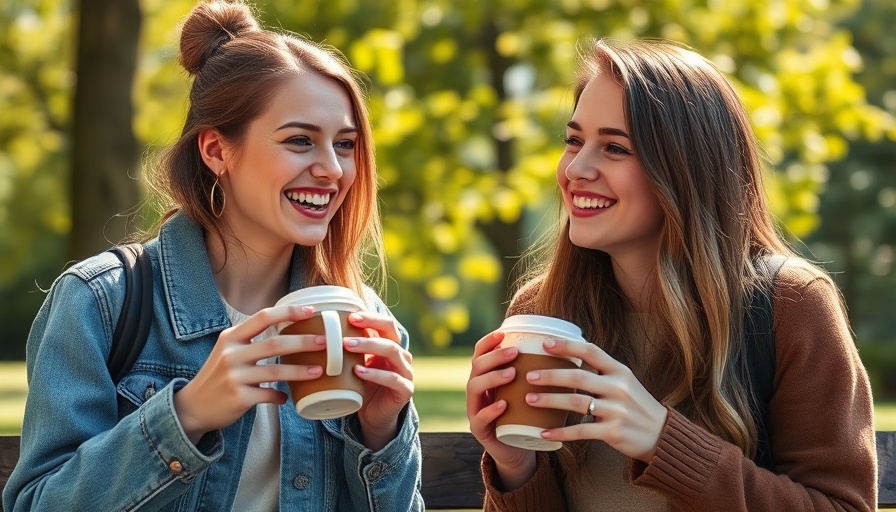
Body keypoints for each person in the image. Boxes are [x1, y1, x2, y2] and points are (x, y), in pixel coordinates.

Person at [3, 1, 423, 510]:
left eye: (346, 144)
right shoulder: (100, 304)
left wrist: (382, 437)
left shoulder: (365, 322)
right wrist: (187, 415)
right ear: (216, 151)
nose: (333, 169)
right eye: (299, 141)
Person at [466, 38, 876, 511]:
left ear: (683, 170)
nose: (576, 168)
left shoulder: (792, 306)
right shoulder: (542, 313)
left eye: (615, 148)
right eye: (574, 140)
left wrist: (663, 441)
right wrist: (517, 467)